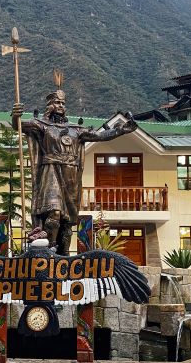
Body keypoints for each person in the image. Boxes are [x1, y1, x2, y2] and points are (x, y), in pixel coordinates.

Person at [12, 89, 137, 254]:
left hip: (71, 175)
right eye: (57, 102)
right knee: (53, 212)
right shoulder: (42, 125)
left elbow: (100, 136)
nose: (60, 106)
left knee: (67, 220)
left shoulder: (76, 129)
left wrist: (121, 130)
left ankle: (63, 254)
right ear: (49, 105)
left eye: (62, 103)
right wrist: (15, 116)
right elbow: (19, 126)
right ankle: (48, 250)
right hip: (51, 171)